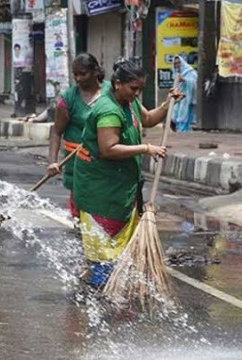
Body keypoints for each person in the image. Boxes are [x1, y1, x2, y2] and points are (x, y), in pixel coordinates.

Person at [73, 59, 182, 288]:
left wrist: (166, 105)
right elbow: (108, 148)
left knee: (117, 254)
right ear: (118, 84)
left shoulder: (129, 102)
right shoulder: (109, 111)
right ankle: (97, 295)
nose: (137, 93)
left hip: (121, 189)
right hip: (101, 193)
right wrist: (146, 148)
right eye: (133, 88)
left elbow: (148, 119)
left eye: (140, 88)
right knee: (104, 254)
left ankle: (105, 289)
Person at [46, 53, 112, 219]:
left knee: (105, 216)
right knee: (81, 217)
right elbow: (56, 132)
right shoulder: (68, 99)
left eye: (83, 73)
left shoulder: (111, 92)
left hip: (107, 165)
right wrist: (53, 162)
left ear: (95, 71)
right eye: (75, 74)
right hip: (78, 166)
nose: (78, 78)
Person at [171, 55, 197, 132]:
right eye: (175, 64)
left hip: (187, 98)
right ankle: (178, 129)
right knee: (176, 113)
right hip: (178, 98)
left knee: (186, 115)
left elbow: (194, 82)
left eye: (178, 63)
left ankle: (185, 130)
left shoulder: (189, 71)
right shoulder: (176, 73)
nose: (177, 65)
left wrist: (185, 80)